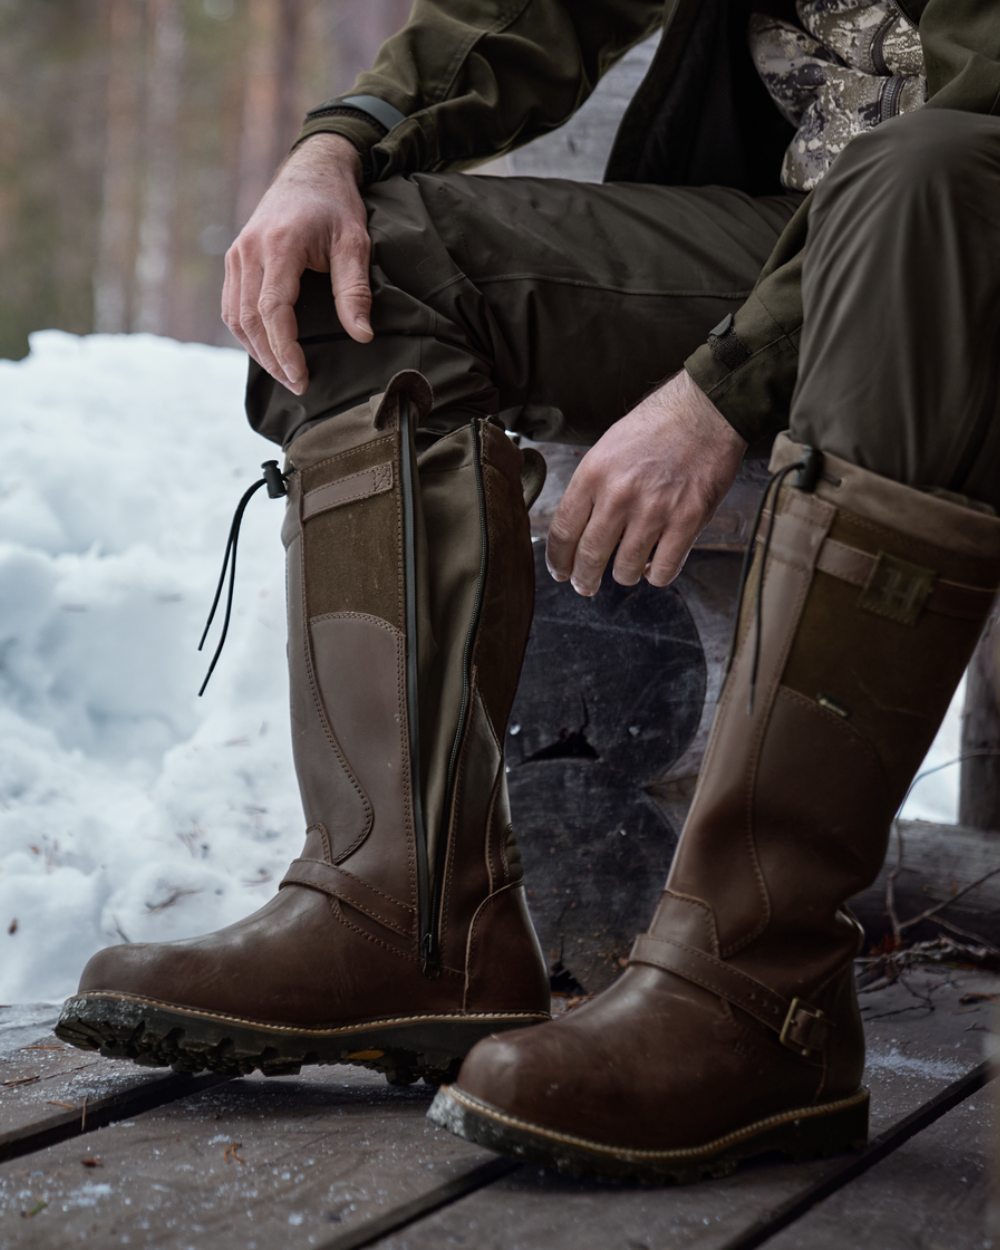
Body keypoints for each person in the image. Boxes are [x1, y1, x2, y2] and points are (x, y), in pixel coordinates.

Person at [57, 0, 1000, 1182]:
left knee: (923, 183)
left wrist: (717, 389)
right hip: (815, 242)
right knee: (373, 268)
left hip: (955, 234)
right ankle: (403, 916)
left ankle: (761, 992)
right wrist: (338, 140)